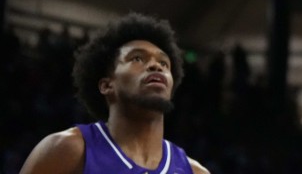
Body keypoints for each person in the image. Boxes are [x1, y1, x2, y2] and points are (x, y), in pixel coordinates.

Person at [18, 12, 210, 174]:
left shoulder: (195, 171)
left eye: (163, 63)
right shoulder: (66, 149)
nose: (155, 66)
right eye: (137, 58)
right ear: (106, 85)